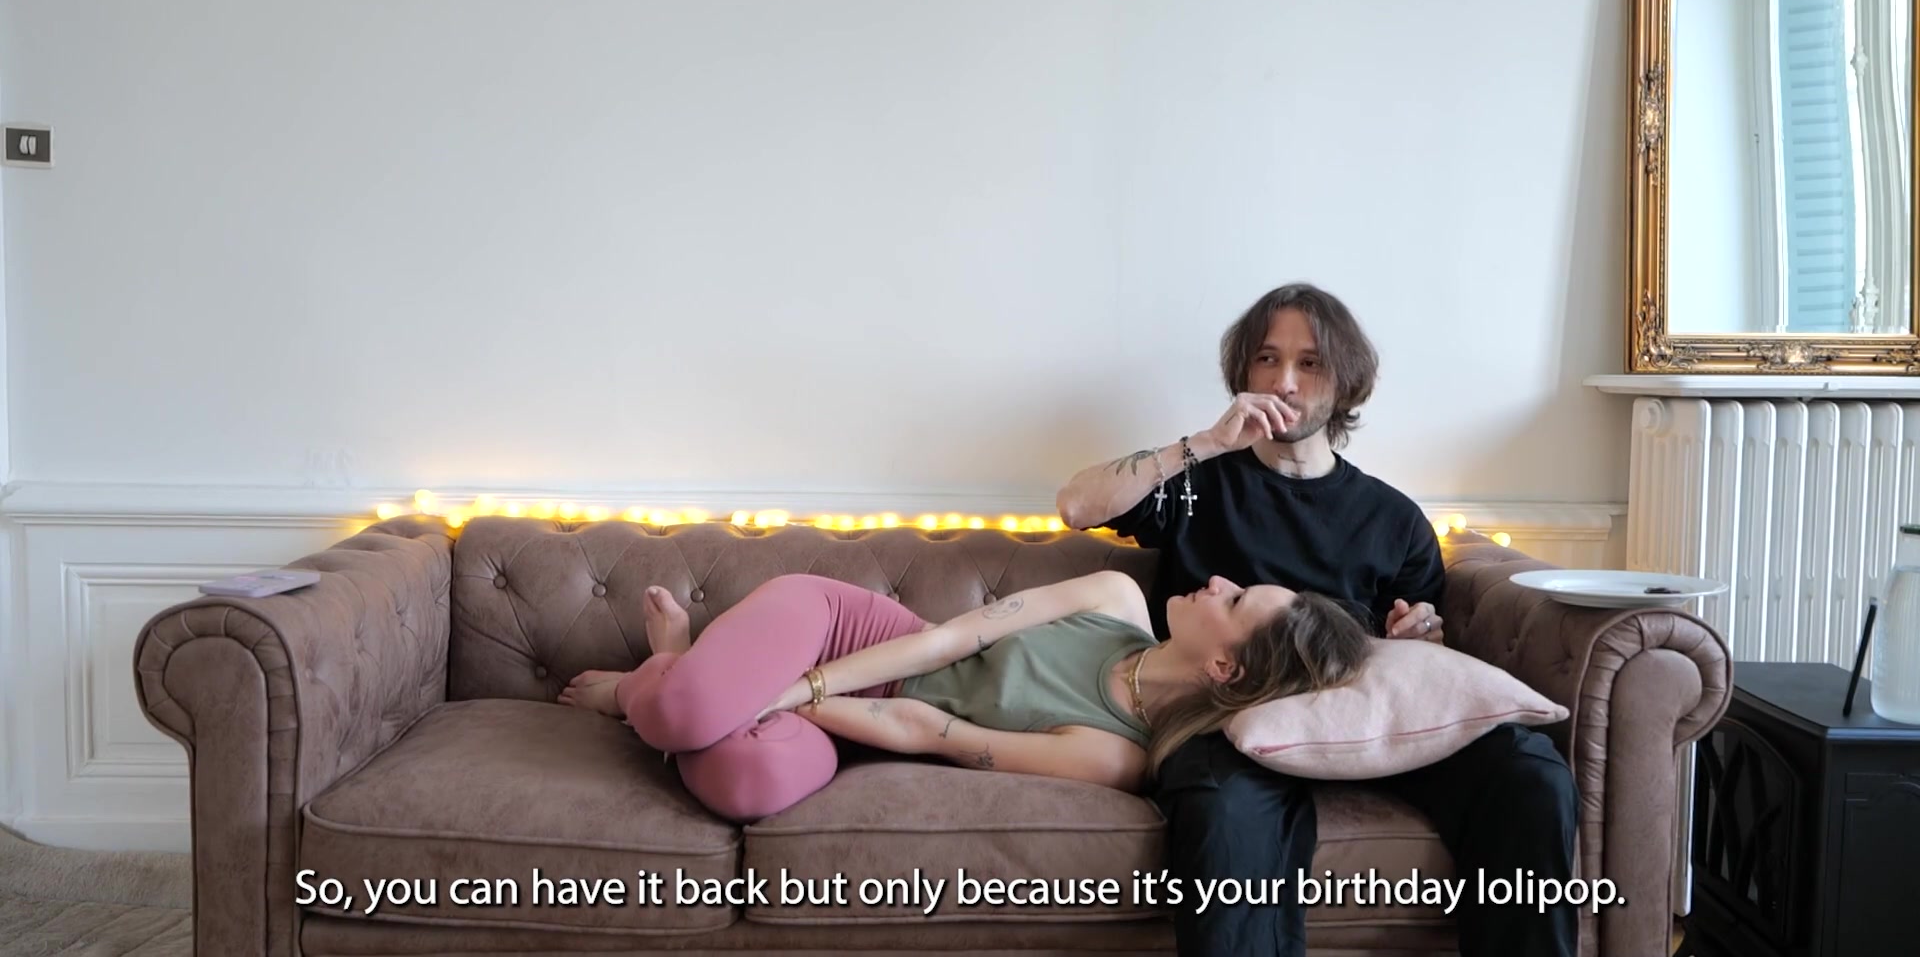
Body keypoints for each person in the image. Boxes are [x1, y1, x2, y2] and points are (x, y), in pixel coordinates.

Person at [1055, 282, 1579, 957]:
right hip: (1227, 715)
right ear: (1243, 374)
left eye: (1310, 364)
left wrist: (1422, 630)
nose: (1285, 382)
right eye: (1267, 360)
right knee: (1224, 810)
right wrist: (1206, 442)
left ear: (1346, 382)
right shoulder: (1197, 485)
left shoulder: (1393, 519)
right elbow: (1075, 505)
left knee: (1530, 772)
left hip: (1360, 715)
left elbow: (1424, 635)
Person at [557, 568, 1369, 823]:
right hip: (848, 634)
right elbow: (948, 640)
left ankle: (690, 673)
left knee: (749, 783)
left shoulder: (1113, 756)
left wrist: (789, 707)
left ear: (1225, 670)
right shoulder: (1115, 597)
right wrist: (799, 681)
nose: (1218, 580)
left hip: (865, 728)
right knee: (689, 714)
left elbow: (928, 730)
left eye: (1235, 600)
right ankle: (657, 678)